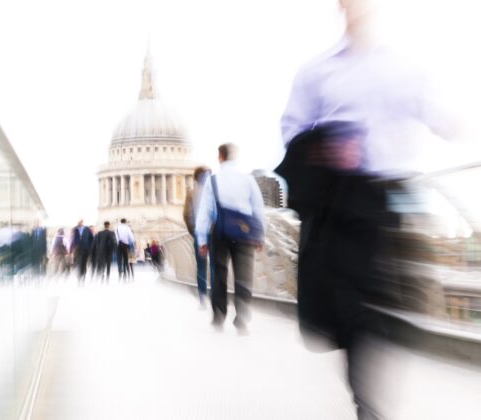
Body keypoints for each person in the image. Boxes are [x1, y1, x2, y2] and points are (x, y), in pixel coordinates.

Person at [277, 1, 456, 418]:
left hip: (391, 196)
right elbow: (292, 128)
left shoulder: (403, 66)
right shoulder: (316, 70)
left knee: (392, 300)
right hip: (341, 199)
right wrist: (324, 145)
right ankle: (368, 402)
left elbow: (436, 115)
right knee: (350, 306)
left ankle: (373, 381)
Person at [195, 144, 265, 334]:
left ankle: (219, 316)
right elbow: (258, 208)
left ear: (220, 156)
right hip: (244, 232)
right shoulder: (248, 179)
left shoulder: (213, 180)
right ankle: (241, 319)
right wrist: (259, 235)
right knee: (244, 277)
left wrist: (202, 239)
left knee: (219, 275)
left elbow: (206, 211)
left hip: (220, 232)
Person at [183, 166, 214, 304]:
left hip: (199, 233)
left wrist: (194, 231)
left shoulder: (191, 193)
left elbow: (187, 215)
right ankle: (215, 294)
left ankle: (202, 296)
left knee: (201, 266)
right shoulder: (214, 192)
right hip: (213, 233)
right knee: (215, 265)